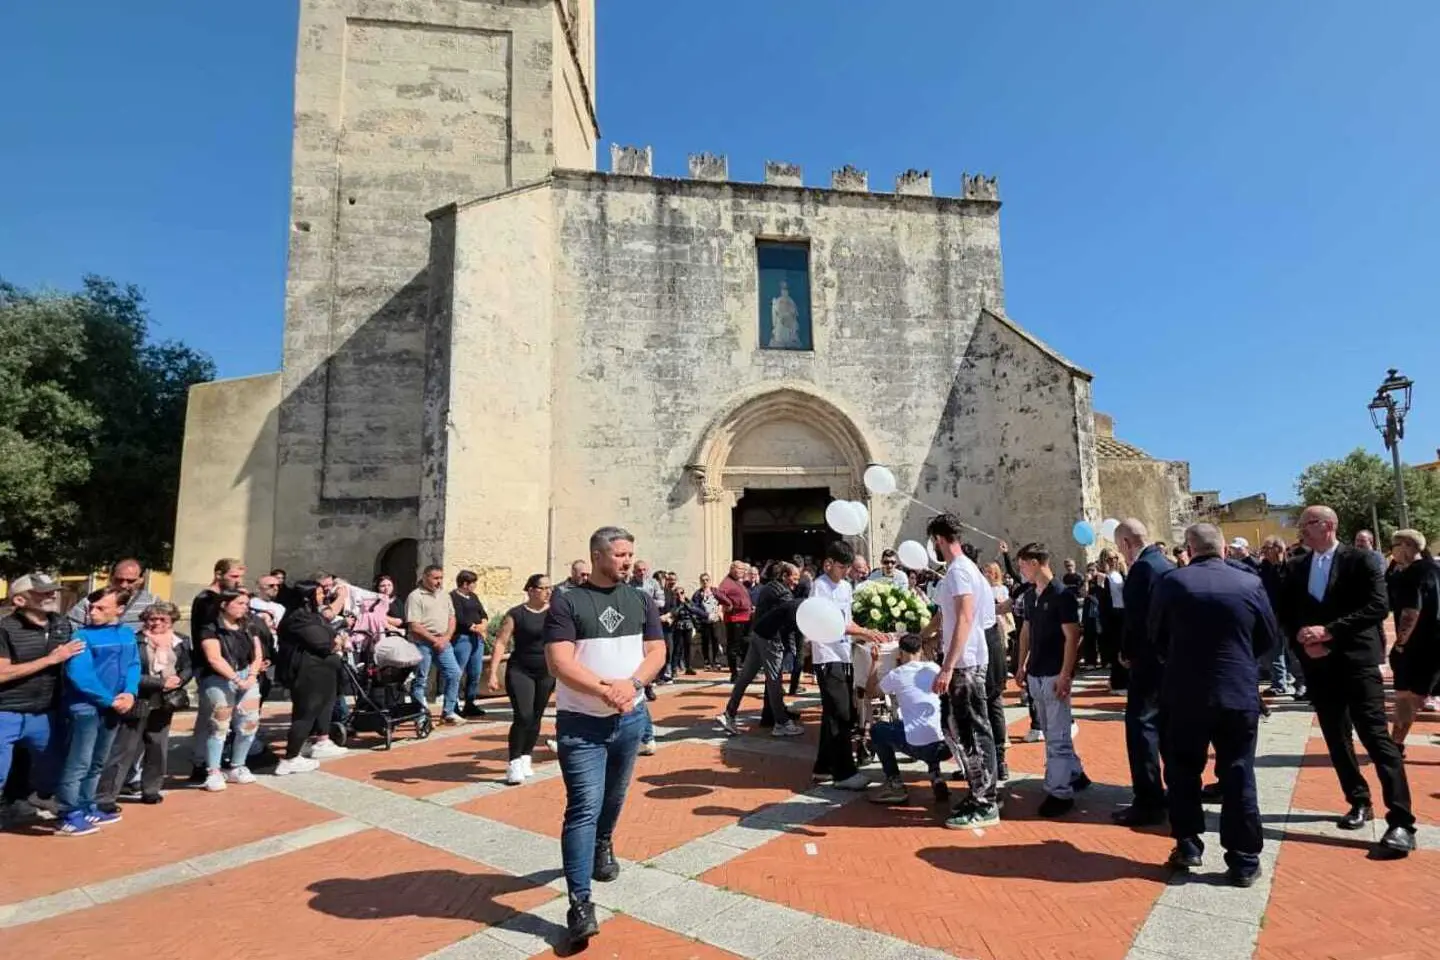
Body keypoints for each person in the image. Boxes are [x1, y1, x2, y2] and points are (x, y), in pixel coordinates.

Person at [545, 527, 666, 948]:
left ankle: (603, 842)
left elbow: (657, 651)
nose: (627, 561)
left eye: (630, 554)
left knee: (614, 797)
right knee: (584, 805)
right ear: (597, 556)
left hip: (629, 719)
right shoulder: (567, 600)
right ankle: (579, 903)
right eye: (619, 555)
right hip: (581, 723)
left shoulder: (640, 599)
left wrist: (632, 686)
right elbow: (560, 662)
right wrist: (605, 690)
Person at [1281, 505, 1415, 856]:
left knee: (1375, 738)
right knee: (1336, 738)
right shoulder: (1296, 565)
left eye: (1306, 524)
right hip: (1318, 666)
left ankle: (1401, 821)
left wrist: (1328, 632)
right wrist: (1302, 640)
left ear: (1327, 525)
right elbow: (1285, 610)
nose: (1301, 530)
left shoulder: (1361, 560)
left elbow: (1377, 606)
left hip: (1357, 663)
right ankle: (1358, 800)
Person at [1152, 523, 1276, 885]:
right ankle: (1244, 859)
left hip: (1185, 692)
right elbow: (1267, 636)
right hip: (1236, 690)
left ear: (1190, 549)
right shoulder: (1249, 582)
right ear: (1223, 548)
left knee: (1182, 770)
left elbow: (1155, 634)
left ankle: (1188, 843)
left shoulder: (1173, 583)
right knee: (1239, 771)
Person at [924, 514, 1000, 828]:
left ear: (939, 539)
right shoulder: (964, 569)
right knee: (961, 728)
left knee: (973, 731)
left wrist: (948, 666)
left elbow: (966, 618)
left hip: (966, 663)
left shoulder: (959, 571)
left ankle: (986, 802)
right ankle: (978, 790)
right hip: (966, 660)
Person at [1012, 542, 1090, 818]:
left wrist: (1066, 674)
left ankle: (1059, 792)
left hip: (1055, 672)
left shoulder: (1061, 594)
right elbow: (1026, 630)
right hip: (1036, 672)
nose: (1021, 571)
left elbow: (1072, 636)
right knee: (1049, 729)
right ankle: (1074, 773)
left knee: (1057, 735)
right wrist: (1021, 664)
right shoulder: (1030, 596)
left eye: (1022, 565)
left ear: (1035, 563)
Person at [1, 575, 85, 826]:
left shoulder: (62, 624)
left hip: (46, 713)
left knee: (54, 769)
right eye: (42, 592)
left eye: (53, 590)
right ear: (19, 600)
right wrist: (50, 660)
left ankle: (40, 802)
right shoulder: (5, 629)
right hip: (6, 712)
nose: (52, 595)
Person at [55, 587, 140, 835]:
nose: (93, 612)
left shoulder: (127, 633)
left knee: (97, 761)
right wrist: (109, 700)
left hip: (113, 707)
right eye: (92, 607)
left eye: (101, 608)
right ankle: (68, 813)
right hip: (85, 708)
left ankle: (87, 806)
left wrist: (130, 692)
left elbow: (133, 665)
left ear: (120, 609)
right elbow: (80, 675)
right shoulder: (81, 636)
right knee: (79, 762)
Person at [96, 602, 192, 809]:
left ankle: (151, 790)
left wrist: (180, 680)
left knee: (157, 747)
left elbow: (188, 666)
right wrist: (159, 682)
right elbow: (128, 671)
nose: (157, 623)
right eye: (152, 619)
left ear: (172, 620)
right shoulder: (134, 640)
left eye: (162, 619)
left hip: (165, 702)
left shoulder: (181, 641)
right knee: (124, 749)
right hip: (137, 699)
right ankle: (106, 797)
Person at [805, 541, 885, 791]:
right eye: (842, 567)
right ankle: (843, 773)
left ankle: (823, 766)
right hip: (827, 656)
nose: (846, 572)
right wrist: (865, 632)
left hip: (843, 654)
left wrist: (867, 633)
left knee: (835, 712)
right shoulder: (820, 587)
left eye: (848, 567)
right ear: (828, 564)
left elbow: (848, 621)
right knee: (840, 714)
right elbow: (831, 622)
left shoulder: (846, 587)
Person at [1112, 519, 1174, 828]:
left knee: (1141, 727)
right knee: (1167, 728)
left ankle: (1149, 800)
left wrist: (1127, 652)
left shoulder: (1142, 569)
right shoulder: (1166, 564)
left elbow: (1135, 620)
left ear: (1125, 543)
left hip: (1147, 662)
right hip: (1168, 660)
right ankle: (1175, 792)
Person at [717, 562, 803, 738]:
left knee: (745, 677)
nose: (796, 583)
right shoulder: (783, 594)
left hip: (758, 635)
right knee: (774, 680)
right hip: (771, 639)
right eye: (794, 579)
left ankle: (729, 713)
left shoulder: (768, 587)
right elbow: (793, 614)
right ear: (784, 576)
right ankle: (781, 723)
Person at [192, 588, 265, 792]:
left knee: (249, 722)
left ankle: (238, 765)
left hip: (247, 675)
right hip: (219, 678)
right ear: (224, 605)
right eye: (240, 603)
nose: (245, 608)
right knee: (219, 724)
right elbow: (214, 658)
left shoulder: (249, 626)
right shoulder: (210, 628)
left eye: (246, 604)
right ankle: (213, 771)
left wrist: (251, 675)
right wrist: (235, 678)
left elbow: (258, 654)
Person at [486, 574, 556, 785]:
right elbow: (501, 642)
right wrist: (492, 672)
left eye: (550, 588)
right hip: (520, 670)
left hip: (546, 672)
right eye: (544, 588)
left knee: (536, 716)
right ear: (531, 590)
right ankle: (514, 762)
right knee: (523, 715)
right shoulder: (516, 614)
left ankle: (526, 756)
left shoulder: (555, 613)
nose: (548, 592)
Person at [869, 633, 950, 806]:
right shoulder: (934, 668)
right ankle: (935, 775)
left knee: (878, 730)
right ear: (921, 650)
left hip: (918, 747)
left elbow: (871, 692)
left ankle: (895, 784)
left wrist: (875, 662)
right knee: (925, 723)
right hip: (945, 746)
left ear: (900, 653)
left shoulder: (897, 674)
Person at [276, 579, 345, 776]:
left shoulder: (313, 616)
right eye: (320, 593)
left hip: (322, 671)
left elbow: (330, 635)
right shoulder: (298, 618)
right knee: (305, 713)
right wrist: (336, 641)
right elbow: (323, 642)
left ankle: (310, 745)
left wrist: (336, 639)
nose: (323, 596)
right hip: (307, 672)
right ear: (308, 597)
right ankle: (290, 758)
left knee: (319, 708)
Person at [1386, 530, 1440, 751]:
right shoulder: (1436, 570)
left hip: (1417, 646)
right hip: (1435, 644)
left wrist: (1400, 643)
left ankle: (1395, 744)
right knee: (1415, 697)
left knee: (1405, 697)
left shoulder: (1411, 574)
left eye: (1394, 546)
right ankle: (1396, 743)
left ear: (1407, 545)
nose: (1393, 552)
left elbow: (1410, 612)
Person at [407, 565, 462, 724]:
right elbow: (414, 625)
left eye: (441, 578)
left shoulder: (444, 595)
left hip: (443, 642)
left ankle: (448, 711)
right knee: (421, 679)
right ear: (425, 577)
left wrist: (446, 637)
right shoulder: (415, 596)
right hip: (422, 643)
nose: (439, 582)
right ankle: (420, 715)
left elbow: (452, 617)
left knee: (454, 673)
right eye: (435, 578)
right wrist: (434, 640)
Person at [67, 559, 158, 627]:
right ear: (111, 577)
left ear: (141, 580)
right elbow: (70, 628)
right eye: (119, 580)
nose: (124, 585)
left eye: (130, 581)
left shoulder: (152, 602)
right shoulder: (91, 601)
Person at [450, 570, 491, 719]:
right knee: (458, 672)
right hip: (462, 638)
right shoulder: (453, 597)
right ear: (465, 584)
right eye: (473, 583)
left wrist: (483, 625)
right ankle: (452, 705)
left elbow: (483, 614)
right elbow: (459, 617)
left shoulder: (473, 596)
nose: (475, 585)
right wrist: (474, 627)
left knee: (475, 673)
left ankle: (470, 703)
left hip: (477, 638)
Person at [715, 561, 754, 682]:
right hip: (735, 618)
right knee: (734, 646)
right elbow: (717, 593)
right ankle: (734, 673)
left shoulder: (738, 582)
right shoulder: (727, 582)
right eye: (740, 569)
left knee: (746, 643)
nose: (742, 571)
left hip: (746, 617)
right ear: (732, 569)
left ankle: (744, 670)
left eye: (743, 569)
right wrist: (728, 603)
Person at [694, 573, 726, 670]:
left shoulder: (715, 591)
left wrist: (720, 611)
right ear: (700, 582)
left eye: (707, 580)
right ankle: (707, 661)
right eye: (703, 580)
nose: (705, 582)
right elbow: (695, 607)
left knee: (716, 640)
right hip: (705, 621)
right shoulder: (698, 594)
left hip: (715, 620)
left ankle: (716, 661)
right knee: (705, 641)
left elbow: (722, 601)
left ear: (710, 581)